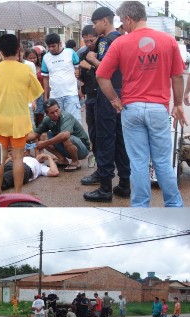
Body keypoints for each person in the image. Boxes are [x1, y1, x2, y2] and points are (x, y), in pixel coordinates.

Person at [96, 1, 186, 207]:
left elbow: (102, 75)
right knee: (162, 161)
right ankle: (174, 206)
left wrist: (114, 100)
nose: (122, 26)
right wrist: (178, 103)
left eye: (122, 21)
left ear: (129, 18)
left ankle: (140, 210)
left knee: (138, 162)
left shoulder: (120, 43)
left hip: (132, 108)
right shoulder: (168, 40)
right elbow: (177, 76)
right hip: (158, 108)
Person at [0, 34, 43, 194]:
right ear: (18, 50)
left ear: (0, 50)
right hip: (19, 120)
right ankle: (17, 194)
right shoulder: (25, 69)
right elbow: (36, 92)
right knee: (17, 158)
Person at [82, 6, 131, 203]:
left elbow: (104, 68)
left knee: (105, 139)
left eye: (95, 23)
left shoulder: (105, 41)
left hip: (107, 92)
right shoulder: (122, 39)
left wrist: (92, 58)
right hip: (122, 91)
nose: (94, 28)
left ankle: (104, 188)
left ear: (104, 21)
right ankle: (125, 183)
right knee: (120, 139)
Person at [27, 99, 90, 171]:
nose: (55, 114)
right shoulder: (47, 120)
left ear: (59, 108)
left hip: (83, 149)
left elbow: (65, 135)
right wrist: (16, 140)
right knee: (43, 136)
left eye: (57, 110)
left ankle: (75, 162)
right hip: (67, 147)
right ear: (47, 114)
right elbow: (34, 135)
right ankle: (62, 160)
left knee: (66, 138)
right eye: (52, 113)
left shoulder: (66, 116)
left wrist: (44, 143)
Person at [41, 33, 82, 124]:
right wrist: (45, 97)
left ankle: (76, 139)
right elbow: (45, 78)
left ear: (60, 44)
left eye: (53, 46)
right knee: (58, 123)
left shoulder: (70, 52)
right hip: (55, 96)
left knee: (73, 122)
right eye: (49, 47)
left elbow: (78, 70)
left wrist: (80, 89)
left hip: (71, 94)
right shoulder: (46, 57)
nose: (51, 49)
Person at [78, 25, 99, 173]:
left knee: (104, 131)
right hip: (89, 95)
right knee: (92, 130)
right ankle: (96, 158)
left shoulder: (103, 51)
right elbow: (81, 75)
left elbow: (108, 71)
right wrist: (80, 82)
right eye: (86, 41)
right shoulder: (82, 53)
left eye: (91, 40)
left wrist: (90, 66)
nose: (89, 44)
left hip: (104, 95)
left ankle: (106, 162)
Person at [24, 48, 45, 126]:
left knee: (40, 119)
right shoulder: (26, 67)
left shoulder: (41, 67)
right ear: (25, 58)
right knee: (32, 118)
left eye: (34, 57)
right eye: (30, 58)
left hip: (40, 94)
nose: (33, 60)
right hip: (30, 96)